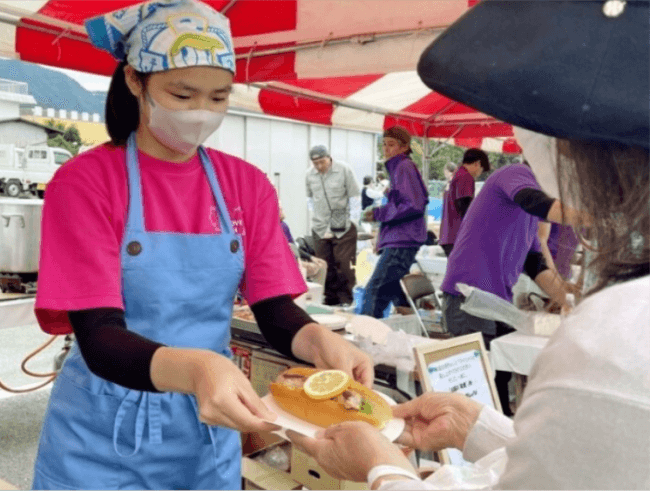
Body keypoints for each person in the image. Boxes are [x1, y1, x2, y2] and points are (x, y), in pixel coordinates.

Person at [287, 0, 649, 489]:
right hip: (473, 291)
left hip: (485, 291)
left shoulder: (614, 343)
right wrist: (477, 427)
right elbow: (569, 462)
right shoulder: (514, 182)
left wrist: (382, 470)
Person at [31, 2, 373, 489]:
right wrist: (198, 367)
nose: (200, 113)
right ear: (134, 79)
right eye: (182, 93)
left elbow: (274, 308)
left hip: (207, 435)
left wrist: (319, 339)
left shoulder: (246, 186)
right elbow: (99, 336)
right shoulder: (86, 183)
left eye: (218, 97)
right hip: (100, 438)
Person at [360, 126, 428, 319]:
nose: (386, 149)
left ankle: (368, 337)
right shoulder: (399, 168)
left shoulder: (403, 167)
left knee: (374, 292)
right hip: (400, 238)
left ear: (404, 147)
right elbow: (407, 202)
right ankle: (406, 321)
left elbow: (414, 204)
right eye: (384, 144)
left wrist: (379, 213)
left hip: (402, 239)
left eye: (391, 145)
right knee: (393, 290)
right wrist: (381, 239)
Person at [306, 145, 361, 305]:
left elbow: (354, 196)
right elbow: (309, 199)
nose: (319, 166)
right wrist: (317, 215)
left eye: (322, 162)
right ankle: (330, 300)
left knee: (344, 266)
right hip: (320, 227)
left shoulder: (344, 170)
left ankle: (347, 300)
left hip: (343, 226)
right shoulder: (309, 175)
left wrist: (353, 221)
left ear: (329, 158)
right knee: (324, 266)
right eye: (315, 163)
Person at [438, 148, 489, 257]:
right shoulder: (465, 177)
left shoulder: (457, 174)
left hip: (448, 235)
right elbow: (464, 206)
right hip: (458, 236)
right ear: (477, 164)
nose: (479, 174)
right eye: (481, 170)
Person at [281, 208, 328, 287]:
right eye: (280, 209)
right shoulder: (276, 227)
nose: (283, 211)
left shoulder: (284, 225)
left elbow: (294, 248)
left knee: (322, 263)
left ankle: (315, 295)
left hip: (294, 260)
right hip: (286, 263)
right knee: (318, 267)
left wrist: (311, 257)